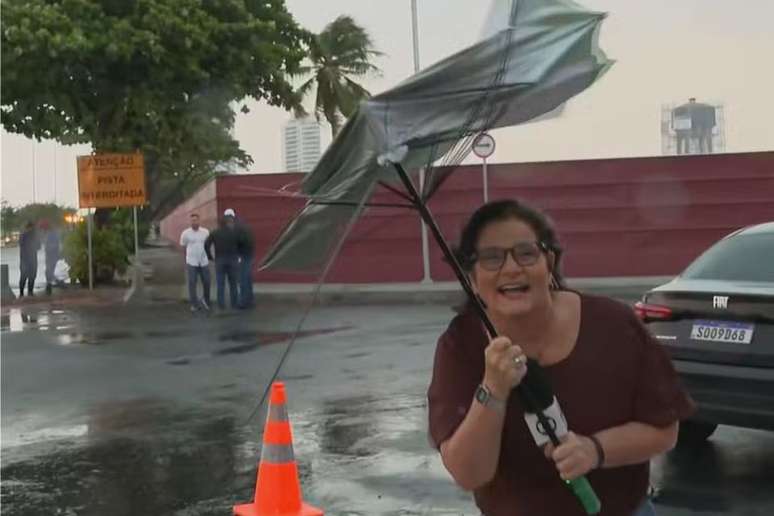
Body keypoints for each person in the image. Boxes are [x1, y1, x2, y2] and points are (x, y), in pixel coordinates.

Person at [427, 199, 695, 516]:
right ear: (471, 278)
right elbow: (469, 473)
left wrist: (595, 450)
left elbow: (664, 430)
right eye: (492, 258)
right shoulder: (462, 346)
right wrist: (492, 389)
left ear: (549, 262)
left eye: (526, 253)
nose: (511, 268)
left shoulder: (614, 324)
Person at [204, 213, 240, 310]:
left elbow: (206, 244)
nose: (232, 223)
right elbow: (241, 244)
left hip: (220, 260)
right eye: (231, 222)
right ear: (228, 223)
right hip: (233, 260)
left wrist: (210, 257)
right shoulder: (235, 233)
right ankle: (234, 304)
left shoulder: (215, 232)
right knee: (233, 283)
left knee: (220, 284)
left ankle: (221, 305)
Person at [179, 213, 211, 312]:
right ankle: (194, 304)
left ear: (199, 221)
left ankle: (205, 300)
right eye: (192, 220)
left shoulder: (205, 232)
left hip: (203, 261)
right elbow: (183, 246)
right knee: (192, 283)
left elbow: (209, 245)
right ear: (190, 222)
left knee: (207, 281)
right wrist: (187, 259)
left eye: (196, 220)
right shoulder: (185, 233)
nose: (194, 222)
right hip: (191, 262)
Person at [227, 208, 256, 309]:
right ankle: (250, 300)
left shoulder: (236, 228)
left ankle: (243, 302)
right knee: (247, 279)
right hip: (249, 254)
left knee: (242, 279)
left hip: (243, 256)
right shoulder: (243, 225)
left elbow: (238, 242)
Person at [18, 222, 41, 297]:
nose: (32, 229)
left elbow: (38, 246)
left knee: (32, 276)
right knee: (24, 276)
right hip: (25, 260)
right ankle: (22, 293)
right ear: (28, 227)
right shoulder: (23, 235)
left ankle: (30, 292)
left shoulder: (34, 235)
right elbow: (21, 244)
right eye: (31, 228)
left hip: (32, 259)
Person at [40, 220, 61, 295]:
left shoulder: (53, 233)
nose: (42, 230)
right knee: (49, 270)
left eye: (43, 228)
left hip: (53, 254)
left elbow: (56, 243)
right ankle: (53, 283)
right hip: (48, 254)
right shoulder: (46, 233)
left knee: (49, 270)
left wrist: (50, 247)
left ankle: (52, 283)